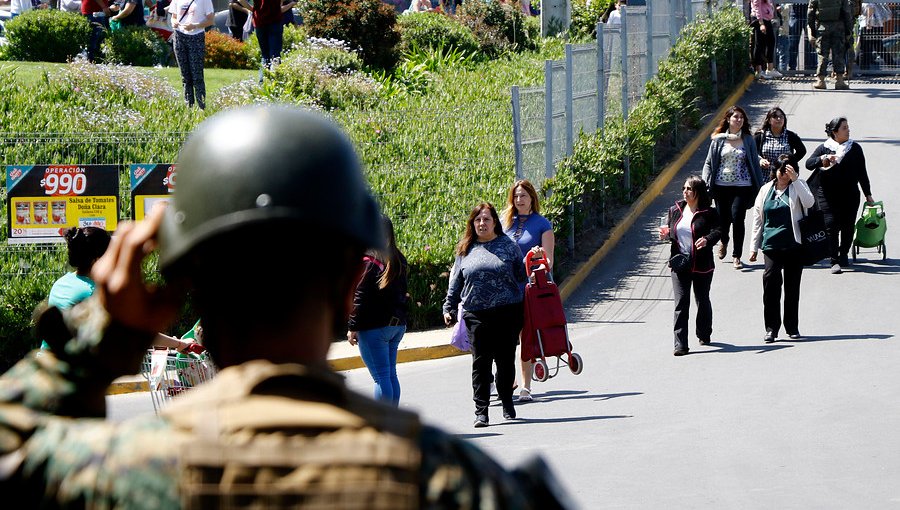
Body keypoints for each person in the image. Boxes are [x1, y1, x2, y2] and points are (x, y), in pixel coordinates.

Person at [0, 105, 571, 508]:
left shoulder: (102, 476)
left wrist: (103, 333)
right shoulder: (459, 486)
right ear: (353, 279)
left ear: (183, 281)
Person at [43, 226, 201, 354]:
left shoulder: (61, 283)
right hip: (73, 370)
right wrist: (179, 344)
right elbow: (136, 333)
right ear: (97, 259)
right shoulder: (95, 292)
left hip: (47, 361)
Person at [443, 202, 527, 428]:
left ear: (494, 223)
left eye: (486, 219)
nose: (482, 223)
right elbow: (456, 281)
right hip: (476, 315)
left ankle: (507, 403)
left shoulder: (508, 246)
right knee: (480, 364)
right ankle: (481, 411)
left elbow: (521, 277)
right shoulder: (465, 249)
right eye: (478, 220)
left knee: (505, 362)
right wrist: (449, 307)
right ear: (472, 223)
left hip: (508, 313)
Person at [749, 155, 816, 343]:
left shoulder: (798, 186)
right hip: (771, 245)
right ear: (775, 171)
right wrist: (753, 247)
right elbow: (758, 219)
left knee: (792, 288)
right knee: (770, 286)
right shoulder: (765, 190)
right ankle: (771, 328)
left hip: (794, 244)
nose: (783, 173)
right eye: (781, 169)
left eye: (788, 170)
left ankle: (792, 327)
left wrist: (795, 179)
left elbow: (809, 202)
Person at [501, 179, 554, 403]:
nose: (519, 200)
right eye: (516, 196)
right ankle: (506, 378)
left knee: (526, 337)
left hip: (528, 289)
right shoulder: (505, 224)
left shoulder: (542, 224)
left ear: (532, 198)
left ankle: (526, 386)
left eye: (523, 195)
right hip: (504, 289)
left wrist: (537, 261)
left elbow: (549, 261)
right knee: (503, 339)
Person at [347, 215, 409, 406]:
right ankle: (393, 421)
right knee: (389, 374)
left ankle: (384, 425)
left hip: (374, 328)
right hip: (396, 325)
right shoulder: (398, 258)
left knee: (380, 377)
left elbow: (360, 297)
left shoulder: (368, 262)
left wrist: (352, 327)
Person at [660, 175, 722, 356]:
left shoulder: (709, 213)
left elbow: (718, 231)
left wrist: (707, 240)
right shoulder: (675, 210)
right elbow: (671, 231)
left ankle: (704, 332)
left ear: (698, 192)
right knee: (681, 302)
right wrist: (665, 234)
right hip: (680, 264)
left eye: (689, 189)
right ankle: (680, 344)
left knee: (702, 300)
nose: (685, 192)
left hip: (702, 264)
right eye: (684, 189)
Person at [805, 116, 875, 274]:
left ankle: (844, 253)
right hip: (827, 195)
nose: (848, 130)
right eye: (844, 128)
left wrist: (868, 194)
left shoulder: (855, 148)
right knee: (831, 225)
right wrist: (822, 159)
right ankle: (834, 260)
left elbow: (862, 173)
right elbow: (808, 164)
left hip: (850, 195)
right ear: (835, 132)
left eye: (848, 127)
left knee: (848, 227)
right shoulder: (824, 148)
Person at [701, 105, 765, 270]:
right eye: (736, 117)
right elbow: (709, 163)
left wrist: (762, 187)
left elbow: (754, 163)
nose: (739, 120)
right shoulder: (718, 140)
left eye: (741, 117)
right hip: (721, 186)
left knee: (738, 218)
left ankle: (737, 255)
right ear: (728, 119)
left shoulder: (748, 139)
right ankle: (724, 241)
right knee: (723, 221)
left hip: (742, 186)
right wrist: (705, 183)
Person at [168, 0, 214, 109]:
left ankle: (201, 106)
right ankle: (189, 106)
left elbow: (211, 20)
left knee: (197, 75)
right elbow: (173, 16)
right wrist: (173, 22)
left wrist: (195, 25)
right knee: (185, 76)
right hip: (179, 36)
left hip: (196, 36)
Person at [808, 0, 853, 89]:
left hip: (822, 27)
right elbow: (847, 13)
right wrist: (848, 30)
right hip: (839, 27)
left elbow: (810, 13)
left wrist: (813, 31)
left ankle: (821, 81)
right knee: (838, 53)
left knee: (822, 54)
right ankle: (839, 80)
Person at [754, 107, 807, 173]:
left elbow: (802, 151)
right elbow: (751, 152)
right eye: (775, 117)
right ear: (769, 120)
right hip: (764, 176)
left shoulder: (791, 136)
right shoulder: (760, 136)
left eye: (781, 117)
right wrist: (760, 160)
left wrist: (790, 162)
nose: (779, 119)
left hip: (784, 176)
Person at [240, 0, 283, 75]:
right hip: (274, 21)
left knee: (265, 55)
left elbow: (241, 1)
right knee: (275, 54)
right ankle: (275, 79)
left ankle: (262, 81)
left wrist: (253, 9)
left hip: (260, 22)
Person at [750, 0, 782, 79]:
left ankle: (770, 69)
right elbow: (756, 6)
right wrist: (761, 23)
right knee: (759, 44)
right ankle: (759, 71)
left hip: (766, 19)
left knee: (770, 42)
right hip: (760, 20)